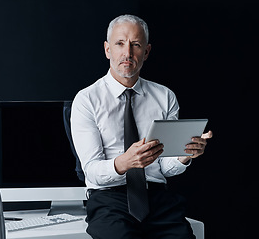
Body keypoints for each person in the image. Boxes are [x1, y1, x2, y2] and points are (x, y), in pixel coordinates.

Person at [71, 14, 213, 239]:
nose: (127, 53)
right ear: (107, 50)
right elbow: (92, 171)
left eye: (135, 45)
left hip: (158, 198)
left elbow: (165, 168)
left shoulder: (165, 97)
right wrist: (125, 162)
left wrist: (185, 155)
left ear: (146, 52)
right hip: (109, 200)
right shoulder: (86, 100)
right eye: (120, 44)